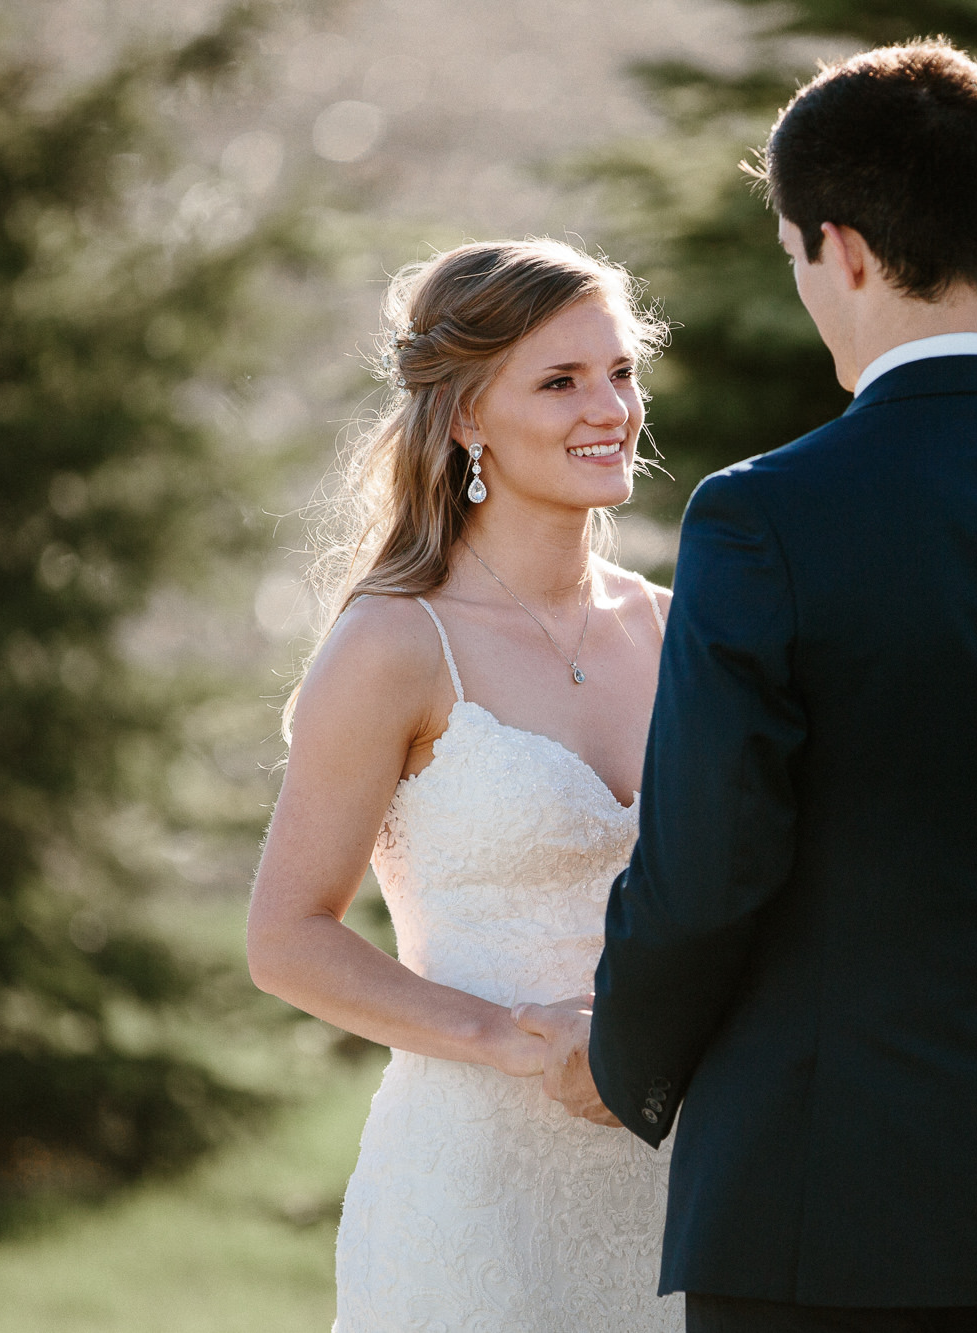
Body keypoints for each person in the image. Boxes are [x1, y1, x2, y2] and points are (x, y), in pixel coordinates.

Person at [514, 43, 977, 1333]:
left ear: (838, 249)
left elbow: (710, 864)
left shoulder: (762, 517)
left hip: (814, 1199)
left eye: (796, 256)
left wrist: (624, 1060)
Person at [243, 239, 682, 1331]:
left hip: (677, 1177)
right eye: (560, 380)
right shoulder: (394, 644)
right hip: (475, 1190)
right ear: (469, 417)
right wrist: (505, 1036)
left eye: (620, 371)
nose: (610, 408)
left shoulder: (676, 627)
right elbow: (287, 936)